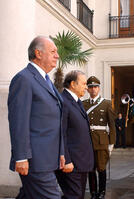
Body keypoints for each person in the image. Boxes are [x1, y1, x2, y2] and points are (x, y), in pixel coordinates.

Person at [8, 36, 65, 198]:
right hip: (36, 161)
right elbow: (19, 121)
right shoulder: (24, 79)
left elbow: (54, 122)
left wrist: (60, 152)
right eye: (53, 51)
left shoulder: (46, 80)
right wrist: (20, 157)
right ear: (38, 53)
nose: (57, 55)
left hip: (48, 158)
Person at [55, 70, 95, 199]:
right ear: (73, 84)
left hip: (81, 162)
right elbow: (61, 133)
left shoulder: (76, 101)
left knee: (77, 195)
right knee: (74, 196)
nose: (86, 87)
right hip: (71, 163)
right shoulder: (63, 101)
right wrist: (66, 159)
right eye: (83, 84)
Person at [82, 76, 116, 199]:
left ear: (99, 88)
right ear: (87, 89)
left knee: (101, 168)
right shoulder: (83, 104)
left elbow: (112, 125)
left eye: (95, 87)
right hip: (88, 141)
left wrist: (111, 143)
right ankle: (93, 193)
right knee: (90, 169)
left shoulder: (106, 103)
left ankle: (102, 192)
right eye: (90, 87)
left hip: (102, 141)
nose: (93, 90)